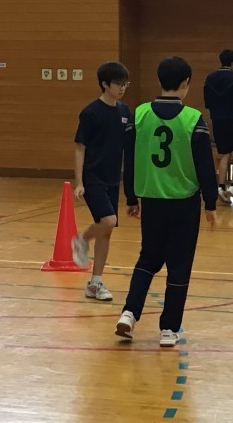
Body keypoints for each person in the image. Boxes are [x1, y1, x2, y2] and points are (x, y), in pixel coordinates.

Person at [117, 56, 218, 346]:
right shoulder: (193, 119)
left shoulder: (140, 114)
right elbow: (205, 165)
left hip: (152, 200)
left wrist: (131, 196)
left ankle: (129, 312)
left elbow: (129, 158)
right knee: (179, 264)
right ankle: (168, 329)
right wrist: (211, 203)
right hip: (184, 202)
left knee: (148, 257)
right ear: (186, 82)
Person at [72, 61, 132, 301]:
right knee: (108, 221)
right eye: (118, 83)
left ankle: (95, 284)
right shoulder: (91, 113)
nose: (122, 88)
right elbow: (80, 148)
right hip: (93, 178)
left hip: (112, 178)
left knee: (106, 232)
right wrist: (79, 182)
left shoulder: (125, 111)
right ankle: (81, 239)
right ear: (105, 84)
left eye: (125, 83)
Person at [204, 49, 233, 204]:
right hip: (232, 118)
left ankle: (221, 187)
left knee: (224, 153)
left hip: (216, 119)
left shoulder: (210, 78)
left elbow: (207, 101)